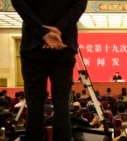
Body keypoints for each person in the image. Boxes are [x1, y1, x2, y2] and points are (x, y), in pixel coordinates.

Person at [11, 0, 87, 141]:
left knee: (34, 105)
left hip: (33, 44)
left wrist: (43, 34)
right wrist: (59, 30)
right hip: (63, 44)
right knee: (62, 104)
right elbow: (80, 4)